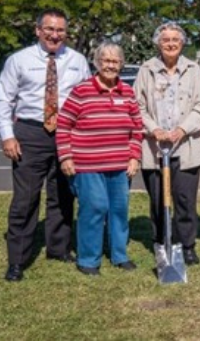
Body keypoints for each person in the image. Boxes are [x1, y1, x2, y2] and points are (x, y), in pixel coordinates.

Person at [0, 9, 91, 282]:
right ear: (38, 30)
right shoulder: (19, 60)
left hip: (66, 133)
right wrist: (7, 135)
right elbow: (3, 99)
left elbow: (85, 98)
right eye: (49, 29)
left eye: (60, 30)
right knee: (25, 199)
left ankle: (58, 248)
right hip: (30, 132)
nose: (54, 35)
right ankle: (18, 259)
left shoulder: (77, 60)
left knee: (62, 193)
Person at [56, 43, 143, 275]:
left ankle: (119, 255)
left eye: (115, 61)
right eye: (105, 60)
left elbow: (137, 128)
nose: (110, 65)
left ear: (121, 64)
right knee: (94, 208)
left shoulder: (128, 92)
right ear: (97, 63)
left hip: (120, 165)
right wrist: (66, 157)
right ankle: (88, 260)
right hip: (88, 164)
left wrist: (134, 156)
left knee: (119, 209)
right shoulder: (81, 91)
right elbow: (64, 125)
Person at [134, 22, 200, 266]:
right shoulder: (146, 69)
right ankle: (161, 243)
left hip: (186, 147)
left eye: (175, 39)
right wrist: (154, 129)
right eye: (165, 39)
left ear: (182, 43)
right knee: (158, 200)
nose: (170, 43)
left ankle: (186, 245)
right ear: (158, 43)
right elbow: (138, 106)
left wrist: (181, 130)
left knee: (185, 200)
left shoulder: (193, 70)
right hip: (155, 148)